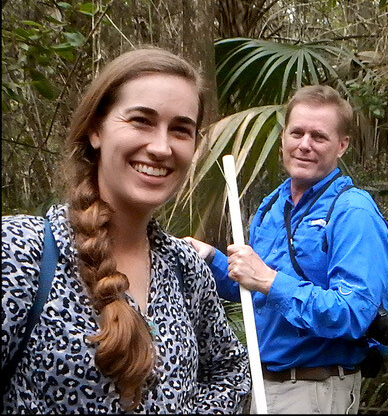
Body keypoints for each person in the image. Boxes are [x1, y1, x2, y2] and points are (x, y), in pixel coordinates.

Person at [1, 47, 251, 413]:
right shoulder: (22, 252)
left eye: (181, 130)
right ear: (96, 130)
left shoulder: (186, 269)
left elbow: (230, 370)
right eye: (141, 121)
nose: (161, 147)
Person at [185, 84, 388, 414]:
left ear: (342, 145)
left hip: (314, 390)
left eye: (319, 137)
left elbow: (355, 313)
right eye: (297, 133)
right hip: (259, 383)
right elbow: (251, 289)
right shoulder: (272, 206)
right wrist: (211, 259)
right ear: (284, 137)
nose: (305, 145)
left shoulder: (353, 213)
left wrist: (270, 280)